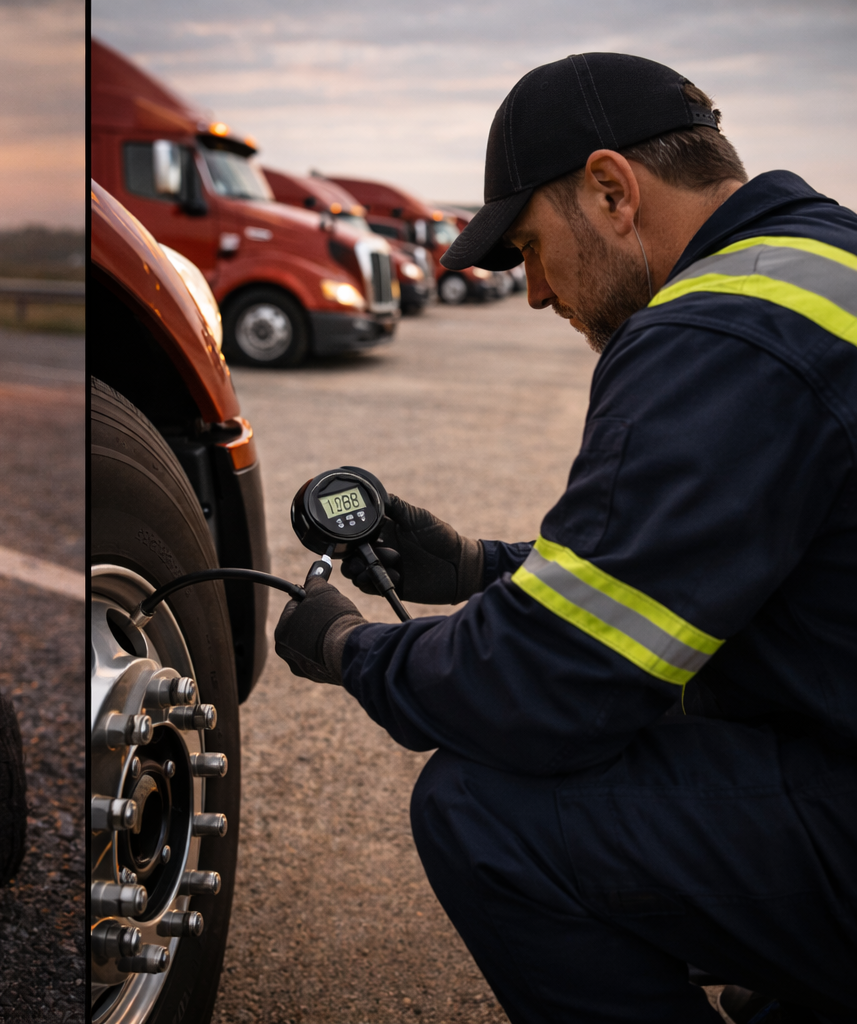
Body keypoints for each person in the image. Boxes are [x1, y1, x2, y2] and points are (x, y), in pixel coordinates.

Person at [274, 52, 857, 1024]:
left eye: (532, 247)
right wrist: (477, 569)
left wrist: (350, 648)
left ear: (611, 190)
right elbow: (747, 568)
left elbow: (549, 683)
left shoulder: (717, 335)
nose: (535, 292)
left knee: (483, 812)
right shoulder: (825, 262)